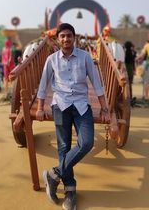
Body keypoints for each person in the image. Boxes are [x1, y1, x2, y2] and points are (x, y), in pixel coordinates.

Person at [36, 23, 111, 210]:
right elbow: (43, 84)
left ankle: (54, 174)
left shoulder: (85, 57)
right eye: (62, 36)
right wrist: (39, 107)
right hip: (60, 105)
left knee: (86, 143)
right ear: (58, 39)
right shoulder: (52, 59)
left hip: (81, 104)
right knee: (63, 146)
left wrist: (104, 107)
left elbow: (97, 83)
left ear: (74, 38)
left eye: (69, 36)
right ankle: (70, 189)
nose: (66, 39)